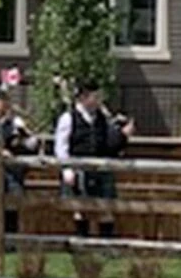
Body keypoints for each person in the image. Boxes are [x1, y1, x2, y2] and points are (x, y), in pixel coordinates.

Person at [54, 83, 133, 238]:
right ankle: (82, 243)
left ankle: (106, 244)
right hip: (79, 169)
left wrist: (123, 136)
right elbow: (61, 146)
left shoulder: (101, 118)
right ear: (84, 98)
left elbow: (109, 145)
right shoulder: (68, 118)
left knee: (106, 207)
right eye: (95, 97)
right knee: (81, 208)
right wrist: (66, 169)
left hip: (100, 168)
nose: (98, 100)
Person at [0, 90, 35, 237]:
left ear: (5, 105)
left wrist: (23, 138)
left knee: (13, 203)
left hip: (13, 170)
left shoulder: (17, 123)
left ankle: (11, 237)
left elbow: (32, 143)